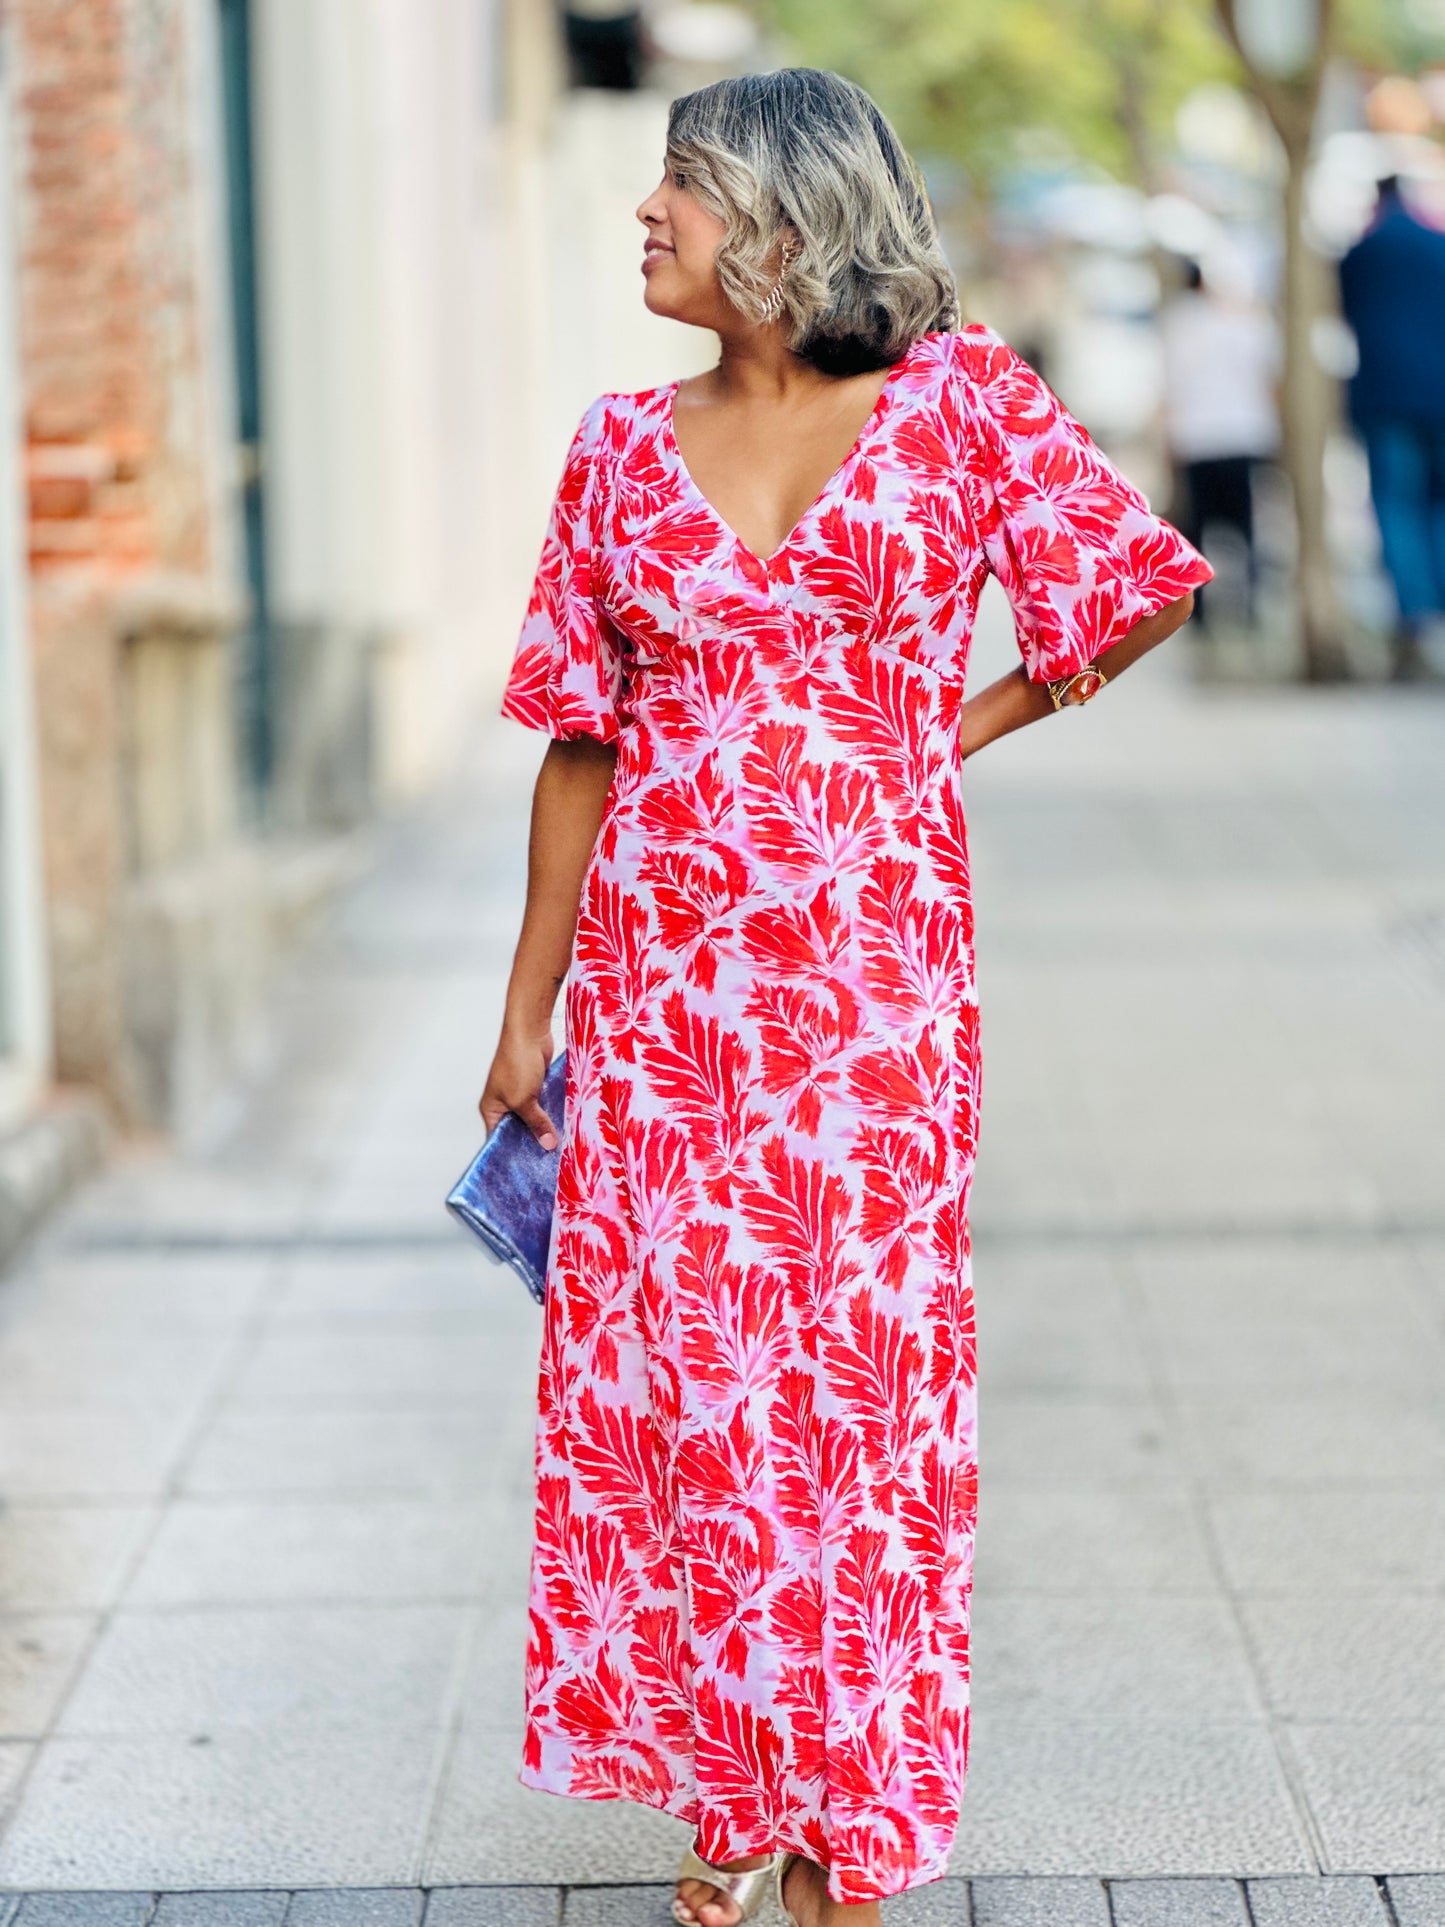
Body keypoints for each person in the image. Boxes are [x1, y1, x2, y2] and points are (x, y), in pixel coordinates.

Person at [480, 68, 1211, 1927]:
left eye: (682, 189)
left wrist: (952, 730)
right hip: (661, 998)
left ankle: (855, 1816)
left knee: (863, 1396)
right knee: (696, 1388)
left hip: (876, 993)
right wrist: (527, 1012)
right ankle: (733, 1786)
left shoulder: (960, 407)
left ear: (788, 218)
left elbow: (1134, 587)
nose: (647, 216)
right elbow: (577, 742)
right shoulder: (617, 449)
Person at [1339, 175, 1445, 679]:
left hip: (1386, 399)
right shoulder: (1437, 246)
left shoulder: (1363, 253)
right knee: (1438, 505)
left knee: (1396, 507)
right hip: (1440, 397)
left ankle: (1415, 619)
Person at [1158, 259, 1280, 632]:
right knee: (1246, 526)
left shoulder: (1178, 324)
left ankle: (1200, 611)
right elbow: (1268, 378)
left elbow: (1170, 385)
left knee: (1198, 528)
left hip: (1197, 437)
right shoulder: (1247, 324)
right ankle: (1249, 602)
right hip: (1245, 434)